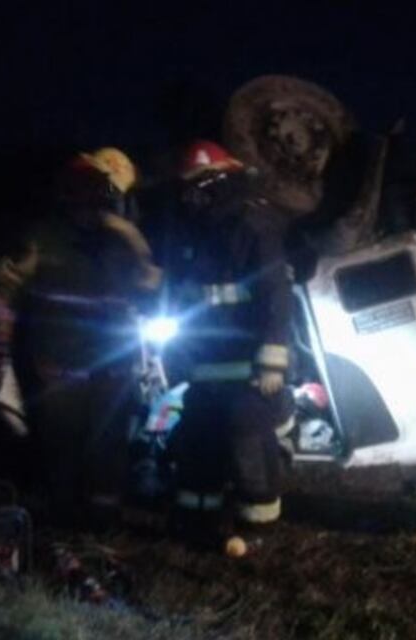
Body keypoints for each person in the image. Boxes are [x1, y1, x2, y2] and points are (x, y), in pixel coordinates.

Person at [0, 147, 162, 526]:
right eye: (79, 189)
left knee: (109, 441)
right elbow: (5, 292)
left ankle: (104, 516)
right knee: (61, 440)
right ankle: (62, 515)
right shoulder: (42, 238)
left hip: (113, 362)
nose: (88, 200)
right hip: (59, 361)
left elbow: (151, 288)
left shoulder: (124, 238)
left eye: (95, 190)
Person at [164, 140, 294, 550]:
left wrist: (272, 361)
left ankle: (258, 527)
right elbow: (182, 296)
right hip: (204, 365)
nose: (191, 196)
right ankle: (197, 518)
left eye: (197, 185)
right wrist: (176, 357)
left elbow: (275, 295)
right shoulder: (195, 229)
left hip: (247, 364)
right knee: (198, 437)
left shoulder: (254, 223)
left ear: (219, 180)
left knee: (248, 439)